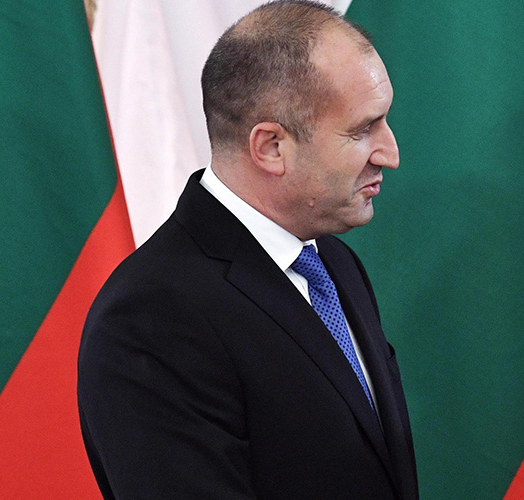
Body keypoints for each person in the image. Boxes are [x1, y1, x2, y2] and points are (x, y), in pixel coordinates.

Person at [77, 2, 417, 499]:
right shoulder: (150, 317)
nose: (391, 153)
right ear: (271, 147)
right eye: (363, 129)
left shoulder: (333, 263)